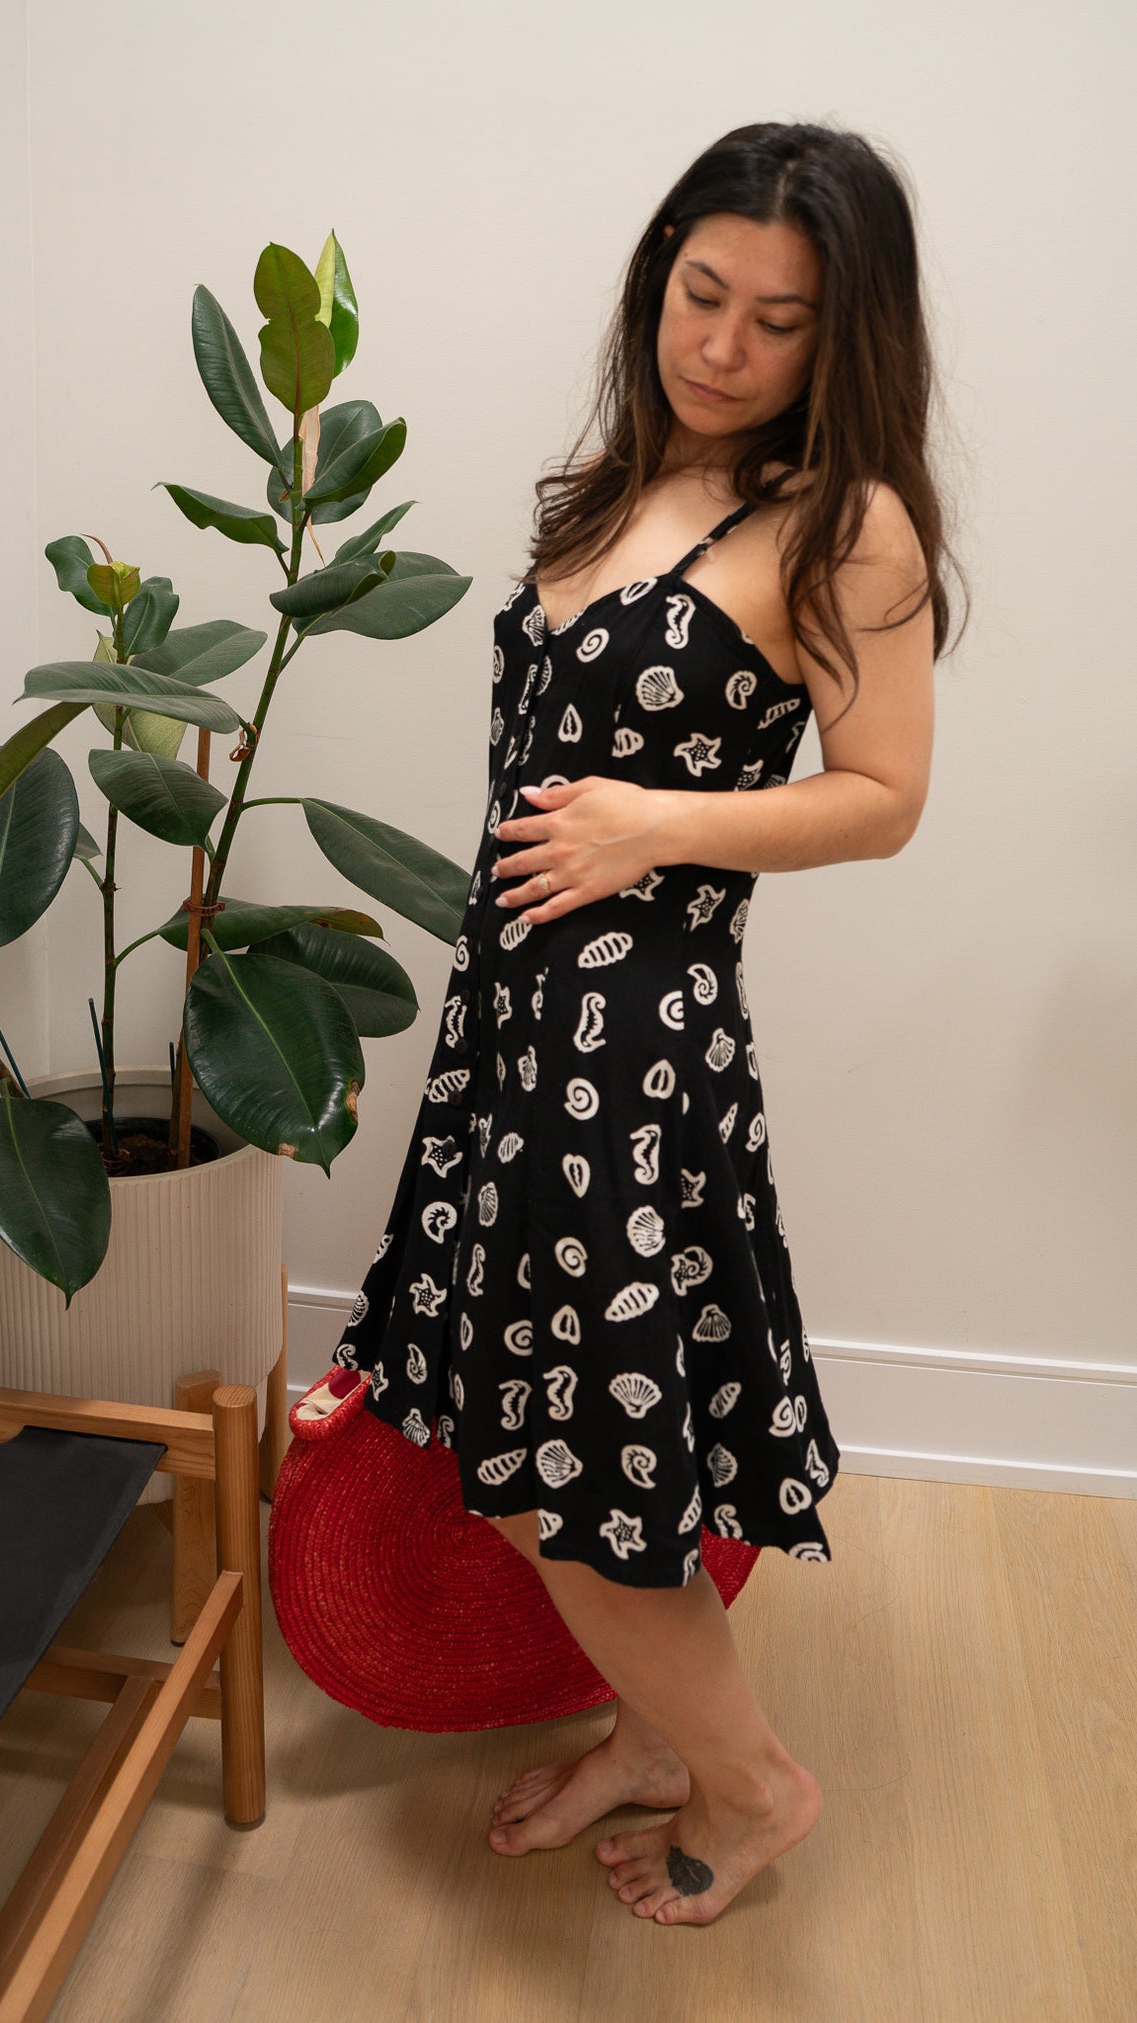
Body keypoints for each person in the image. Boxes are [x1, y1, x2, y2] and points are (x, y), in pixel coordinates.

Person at [332, 118, 952, 1926]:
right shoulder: (626, 474)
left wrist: (655, 824)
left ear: (844, 342)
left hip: (629, 1055)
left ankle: (754, 1785)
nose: (722, 348)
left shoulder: (845, 528)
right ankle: (652, 1734)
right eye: (700, 294)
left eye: (777, 322)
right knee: (524, 1438)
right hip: (514, 1027)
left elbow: (886, 791)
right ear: (656, 274)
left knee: (569, 1476)